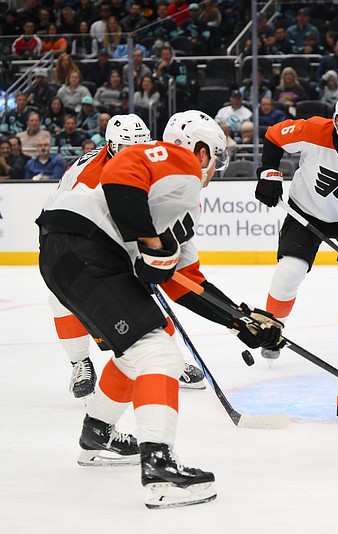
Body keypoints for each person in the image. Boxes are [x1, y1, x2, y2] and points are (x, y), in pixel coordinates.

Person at [37, 110, 284, 509]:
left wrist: (239, 319)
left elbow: (183, 280)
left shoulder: (178, 200)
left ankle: (97, 433)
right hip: (84, 249)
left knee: (141, 346)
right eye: (216, 159)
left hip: (70, 253)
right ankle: (160, 468)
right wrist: (150, 243)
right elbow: (119, 175)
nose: (213, 170)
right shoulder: (176, 159)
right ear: (201, 150)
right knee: (158, 353)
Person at [44, 114, 206, 398]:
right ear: (109, 146)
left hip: (114, 232)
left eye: (138, 146)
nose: (132, 153)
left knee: (139, 298)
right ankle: (80, 362)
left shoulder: (147, 157)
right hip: (73, 237)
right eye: (125, 148)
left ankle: (169, 361)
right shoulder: (89, 177)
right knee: (61, 299)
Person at [254, 92, 338, 359]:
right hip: (304, 212)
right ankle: (272, 328)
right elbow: (274, 135)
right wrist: (269, 173)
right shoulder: (314, 129)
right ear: (335, 118)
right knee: (289, 272)